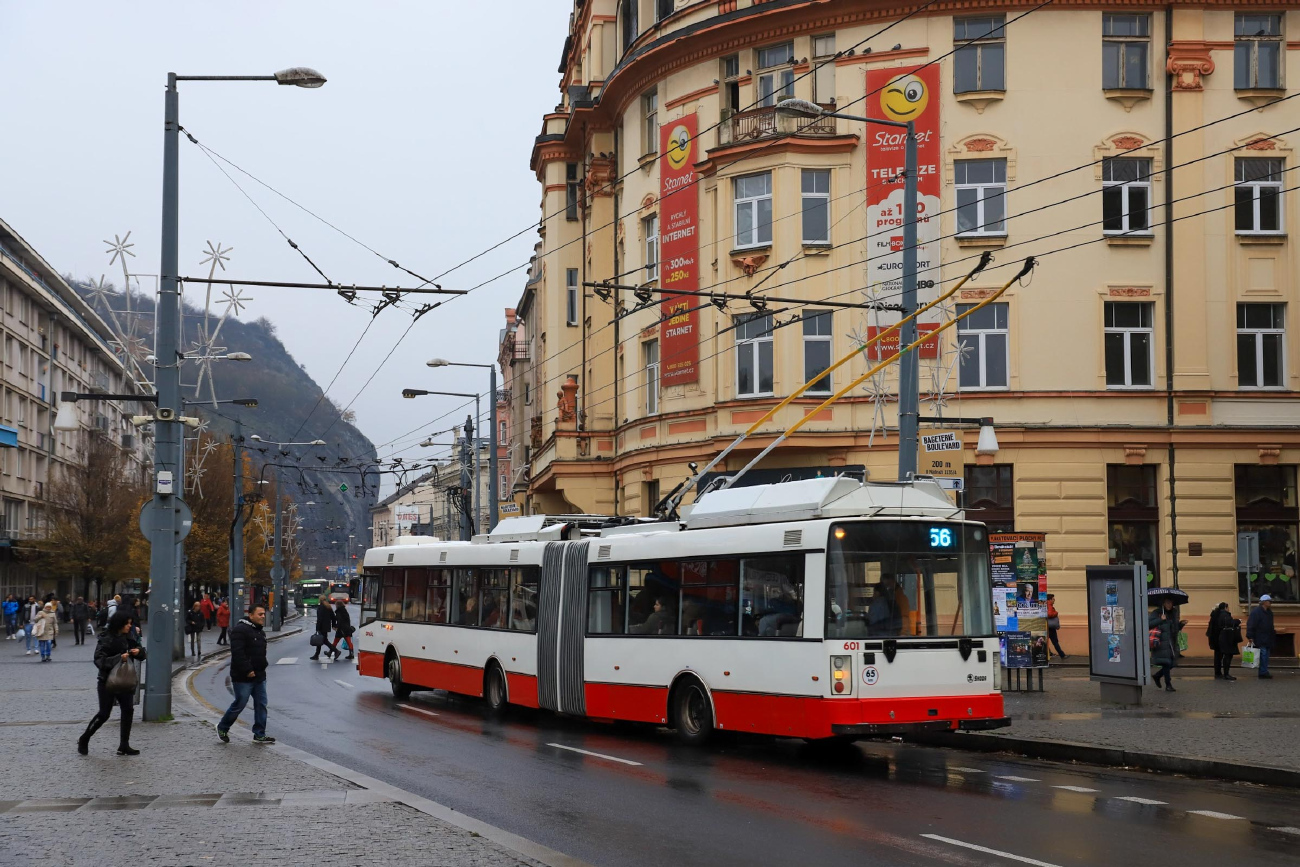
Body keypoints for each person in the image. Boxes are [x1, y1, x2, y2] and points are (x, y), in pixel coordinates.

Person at [79, 610, 146, 756]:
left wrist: (138, 651)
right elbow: (99, 660)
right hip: (107, 681)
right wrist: (118, 658)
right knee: (104, 714)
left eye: (130, 623)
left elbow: (143, 654)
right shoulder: (106, 638)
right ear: (119, 624)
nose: (129, 626)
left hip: (125, 680)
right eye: (127, 624)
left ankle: (124, 745)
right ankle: (85, 738)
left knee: (128, 710)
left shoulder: (128, 637)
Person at [216, 605, 274, 744]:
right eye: (260, 614)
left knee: (261, 704)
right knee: (240, 703)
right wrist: (247, 670)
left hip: (260, 675)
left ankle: (259, 734)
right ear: (251, 615)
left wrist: (262, 666)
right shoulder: (240, 630)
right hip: (243, 676)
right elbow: (238, 653)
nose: (263, 616)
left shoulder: (260, 631)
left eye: (263, 614)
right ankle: (222, 727)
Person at [1149, 600, 1183, 692]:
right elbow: (1149, 624)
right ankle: (1168, 685)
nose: (1169, 605)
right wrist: (1160, 619)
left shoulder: (1174, 613)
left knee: (1172, 663)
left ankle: (1157, 676)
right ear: (1163, 603)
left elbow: (1174, 628)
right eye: (1167, 603)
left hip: (1172, 642)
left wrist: (1180, 625)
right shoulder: (1157, 612)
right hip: (1162, 642)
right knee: (1166, 663)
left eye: (1171, 603)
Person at [1246, 594, 1276, 680]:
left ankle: (1264, 671)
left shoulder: (1269, 612)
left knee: (1266, 655)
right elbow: (1251, 624)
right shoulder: (1256, 612)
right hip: (1260, 637)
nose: (1270, 603)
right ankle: (1263, 672)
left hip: (1267, 637)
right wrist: (1250, 636)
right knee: (1263, 655)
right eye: (1269, 601)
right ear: (1264, 602)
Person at [1217, 611, 1242, 682]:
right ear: (1225, 607)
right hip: (1228, 638)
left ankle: (1224, 673)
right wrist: (1238, 621)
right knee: (1228, 656)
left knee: (1225, 656)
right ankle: (1226, 674)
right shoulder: (1225, 615)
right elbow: (1230, 623)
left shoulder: (1218, 615)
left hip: (1223, 638)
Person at [1207, 602, 1230, 678]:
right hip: (1220, 638)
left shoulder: (1214, 615)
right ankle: (1220, 673)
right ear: (1225, 608)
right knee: (1222, 656)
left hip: (1214, 638)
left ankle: (1217, 672)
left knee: (1217, 656)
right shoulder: (1223, 615)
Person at [1046, 593, 1068, 660]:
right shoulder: (1049, 605)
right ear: (1050, 599)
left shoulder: (1046, 605)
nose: (1054, 600)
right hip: (1050, 627)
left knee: (1046, 641)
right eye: (1053, 598)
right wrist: (1056, 613)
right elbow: (1049, 614)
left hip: (1047, 626)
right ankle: (1062, 655)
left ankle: (1049, 653)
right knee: (1055, 642)